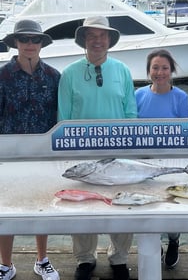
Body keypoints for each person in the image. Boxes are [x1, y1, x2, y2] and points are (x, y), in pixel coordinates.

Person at [57, 16, 137, 280]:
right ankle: (84, 259)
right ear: (84, 40)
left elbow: (130, 112)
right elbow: (63, 117)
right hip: (82, 152)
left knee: (121, 202)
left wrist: (129, 147)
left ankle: (119, 258)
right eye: (92, 35)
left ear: (109, 40)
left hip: (117, 152)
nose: (97, 40)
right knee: (82, 206)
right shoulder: (69, 73)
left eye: (102, 35)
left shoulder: (123, 70)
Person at [0, 20, 60, 280]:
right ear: (15, 42)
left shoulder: (54, 76)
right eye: (24, 39)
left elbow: (59, 116)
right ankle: (5, 264)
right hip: (8, 152)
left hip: (42, 152)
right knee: (5, 206)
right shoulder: (2, 75)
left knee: (42, 204)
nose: (29, 44)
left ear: (42, 44)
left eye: (35, 40)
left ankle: (42, 259)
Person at [135, 48, 188, 269]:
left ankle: (174, 240)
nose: (160, 72)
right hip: (144, 162)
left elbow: (186, 133)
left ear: (172, 70)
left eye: (164, 68)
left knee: (172, 202)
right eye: (155, 68)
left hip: (171, 161)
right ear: (149, 71)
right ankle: (154, 242)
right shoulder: (138, 95)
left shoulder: (181, 97)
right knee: (149, 203)